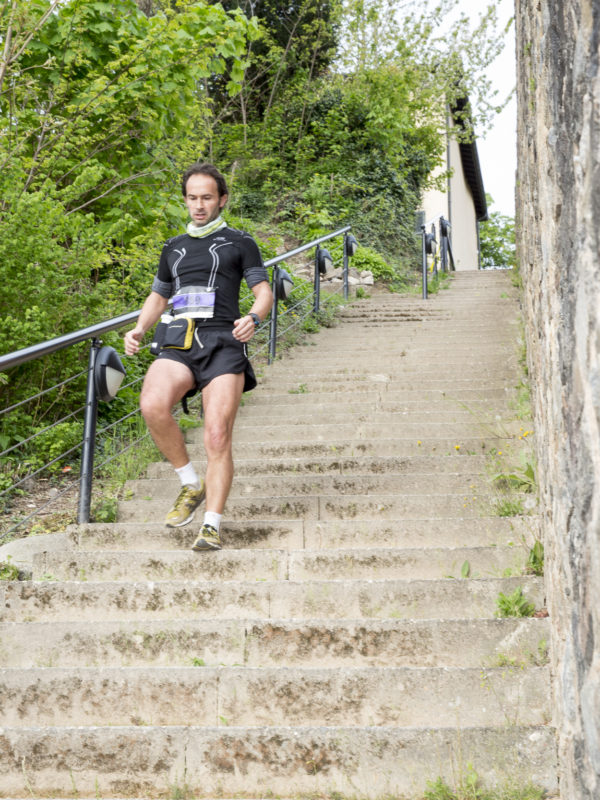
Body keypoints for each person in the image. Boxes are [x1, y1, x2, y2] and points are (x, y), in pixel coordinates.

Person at [124, 163, 273, 552]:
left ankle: (211, 524)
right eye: (192, 198)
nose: (199, 205)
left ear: (222, 199)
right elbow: (158, 295)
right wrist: (140, 327)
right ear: (185, 200)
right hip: (178, 341)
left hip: (224, 343)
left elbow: (264, 292)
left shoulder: (240, 242)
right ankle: (191, 482)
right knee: (152, 404)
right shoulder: (172, 247)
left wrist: (253, 318)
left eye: (207, 197)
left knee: (217, 434)